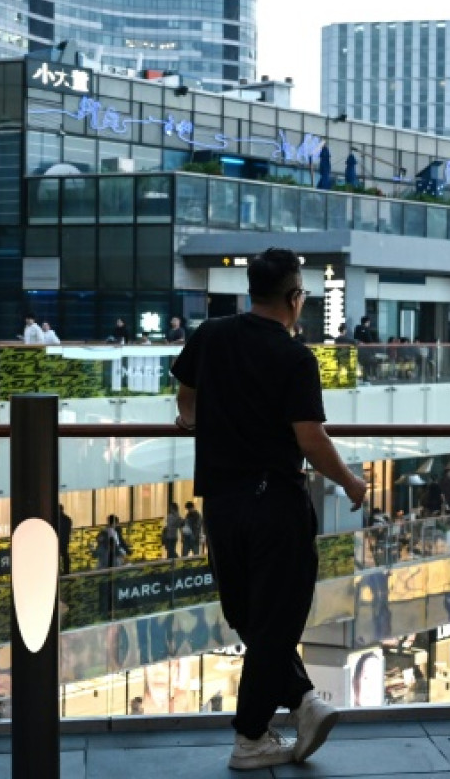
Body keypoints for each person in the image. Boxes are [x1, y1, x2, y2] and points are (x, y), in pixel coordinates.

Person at [172, 247, 367, 770]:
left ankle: (305, 703)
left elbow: (185, 399)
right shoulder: (294, 357)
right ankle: (251, 736)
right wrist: (351, 482)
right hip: (275, 504)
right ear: (294, 298)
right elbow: (310, 438)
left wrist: (194, 422)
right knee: (275, 621)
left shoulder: (211, 334)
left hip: (221, 505)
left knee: (250, 618)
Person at [58, 503, 73, 573]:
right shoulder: (68, 519)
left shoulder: (58, 519)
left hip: (59, 540)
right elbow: (69, 530)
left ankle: (59, 570)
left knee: (58, 555)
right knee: (65, 555)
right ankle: (66, 570)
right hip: (65, 539)